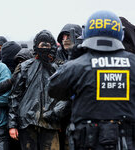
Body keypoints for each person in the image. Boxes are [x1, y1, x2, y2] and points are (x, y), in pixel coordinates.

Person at [48, 10, 135, 149]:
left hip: (88, 141)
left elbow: (54, 89)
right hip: (126, 141)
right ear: (120, 33)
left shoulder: (78, 65)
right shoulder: (132, 63)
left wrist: (72, 59)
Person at [9, 30, 60, 150]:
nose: (45, 47)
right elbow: (14, 96)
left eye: (47, 45)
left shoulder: (58, 69)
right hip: (27, 123)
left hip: (50, 123)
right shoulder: (25, 67)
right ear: (36, 45)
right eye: (42, 44)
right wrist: (12, 125)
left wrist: (58, 117)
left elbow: (63, 96)